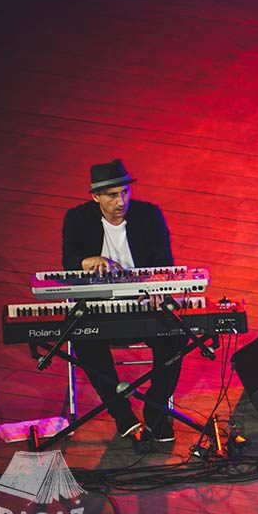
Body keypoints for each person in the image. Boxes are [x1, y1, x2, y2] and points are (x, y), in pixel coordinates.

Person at [62, 159, 185, 444]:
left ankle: (155, 410)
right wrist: (86, 261)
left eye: (125, 193)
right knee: (85, 341)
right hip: (99, 306)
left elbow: (165, 261)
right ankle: (123, 416)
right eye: (112, 195)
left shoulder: (149, 215)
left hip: (144, 303)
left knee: (176, 337)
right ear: (95, 196)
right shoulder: (77, 219)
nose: (121, 201)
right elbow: (68, 260)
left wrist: (159, 283)